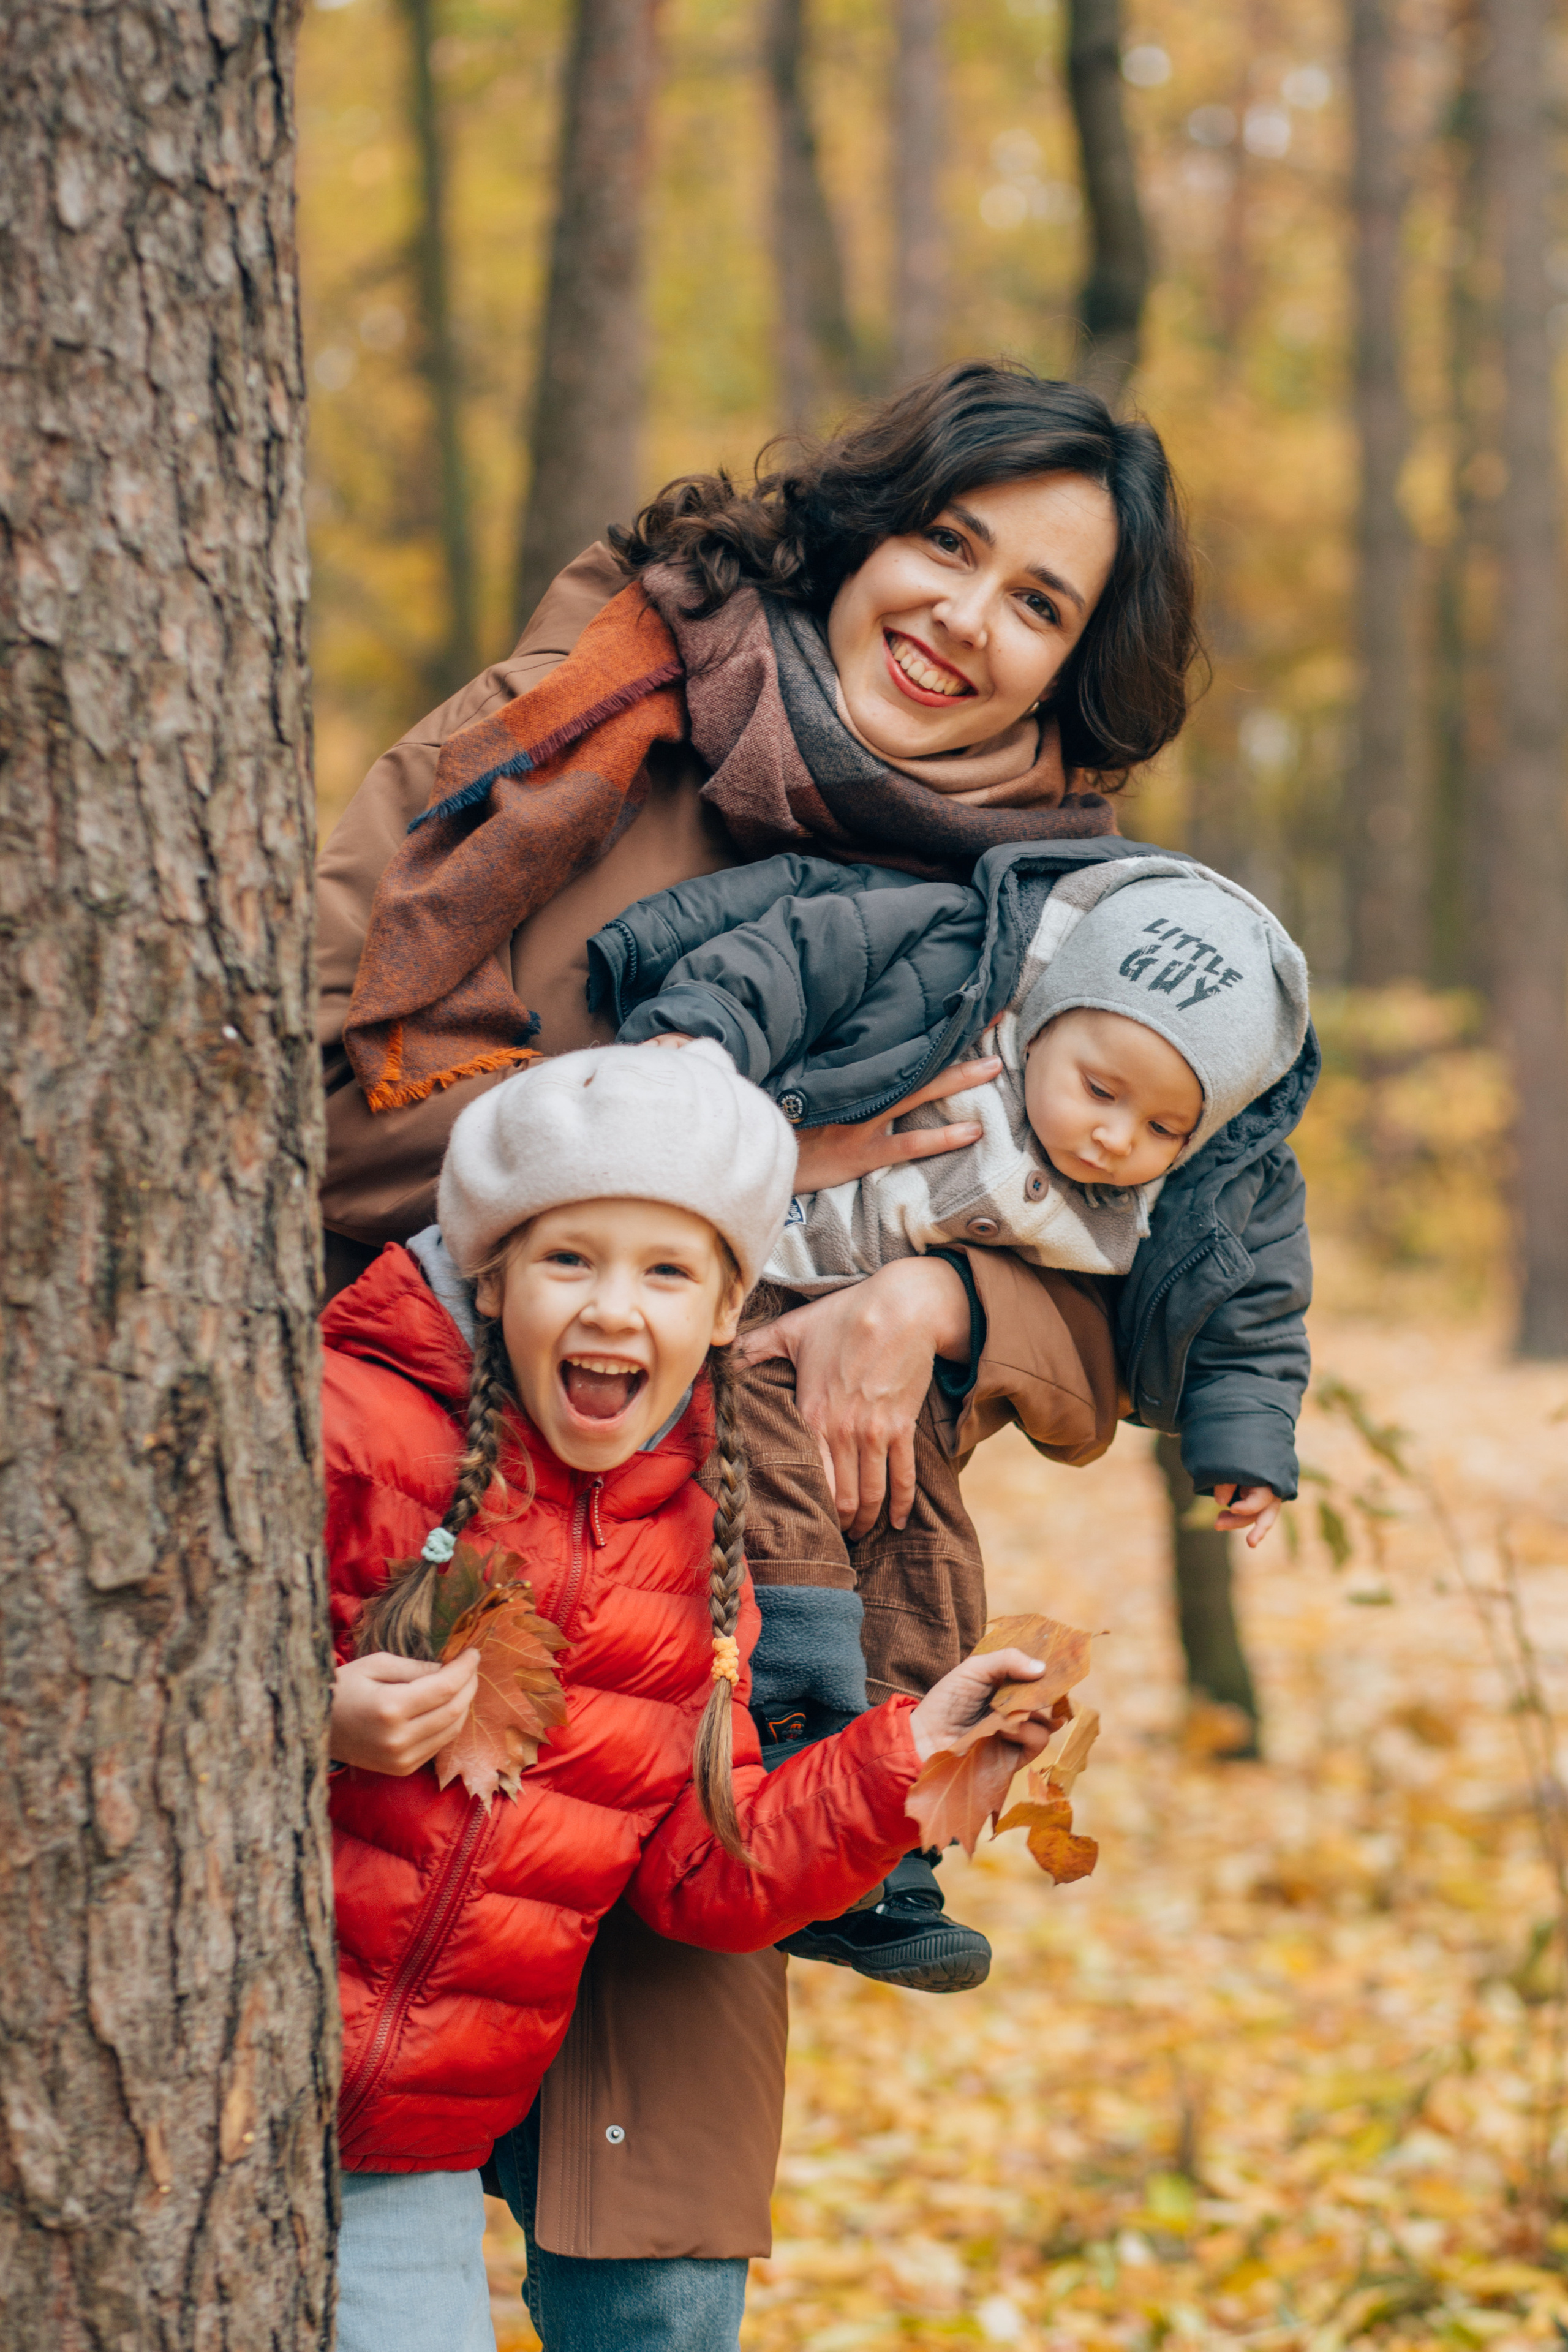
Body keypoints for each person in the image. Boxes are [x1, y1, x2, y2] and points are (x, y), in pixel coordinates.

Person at [312, 361, 1287, 2320]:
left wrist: (936, 1294)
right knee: (349, 2216)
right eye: (952, 546)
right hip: (409, 1552)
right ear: (866, 529)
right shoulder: (601, 708)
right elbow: (339, 1083)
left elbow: (1142, 1270)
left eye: (1042, 605)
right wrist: (752, 1179)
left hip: (714, 1634)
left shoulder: (1071, 917)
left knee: (652, 2282)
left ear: (1075, 671)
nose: (968, 623)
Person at [325, 1041, 1062, 2352]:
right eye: (569, 1260)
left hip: (407, 2149)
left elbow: (694, 1877)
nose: (616, 1308)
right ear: (490, 1277)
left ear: (726, 1310)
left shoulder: (695, 1557)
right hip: (225, 2068)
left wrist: (908, 1756)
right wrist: (310, 1721)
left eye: (666, 1272)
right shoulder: (354, 1424)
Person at [593, 851, 1314, 1844]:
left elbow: (1256, 1310)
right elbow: (799, 952)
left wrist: (1246, 1447)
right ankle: (803, 1720)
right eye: (1100, 1089)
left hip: (915, 1380)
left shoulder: (1173, 1190)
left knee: (926, 1546)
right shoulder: (954, 992)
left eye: (1162, 1126)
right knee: (785, 1494)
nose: (1114, 1138)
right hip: (759, 1294)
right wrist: (703, 1051)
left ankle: (896, 1814)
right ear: (1044, 1013)